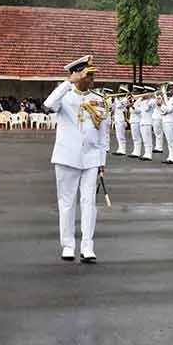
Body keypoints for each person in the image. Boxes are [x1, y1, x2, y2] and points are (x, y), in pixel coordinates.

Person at [42, 55, 107, 263]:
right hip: (66, 156)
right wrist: (67, 83)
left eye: (91, 75)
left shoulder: (98, 99)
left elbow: (103, 131)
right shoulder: (65, 97)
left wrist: (102, 159)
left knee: (89, 203)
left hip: (91, 157)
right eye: (88, 75)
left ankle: (88, 246)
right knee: (67, 202)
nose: (91, 79)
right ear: (77, 75)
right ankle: (68, 245)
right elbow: (48, 103)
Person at [112, 86, 130, 155]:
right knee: (118, 135)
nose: (118, 93)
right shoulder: (118, 99)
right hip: (116, 118)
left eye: (120, 92)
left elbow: (119, 106)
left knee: (121, 135)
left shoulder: (124, 99)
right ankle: (119, 148)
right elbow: (113, 107)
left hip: (121, 119)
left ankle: (123, 150)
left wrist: (116, 99)